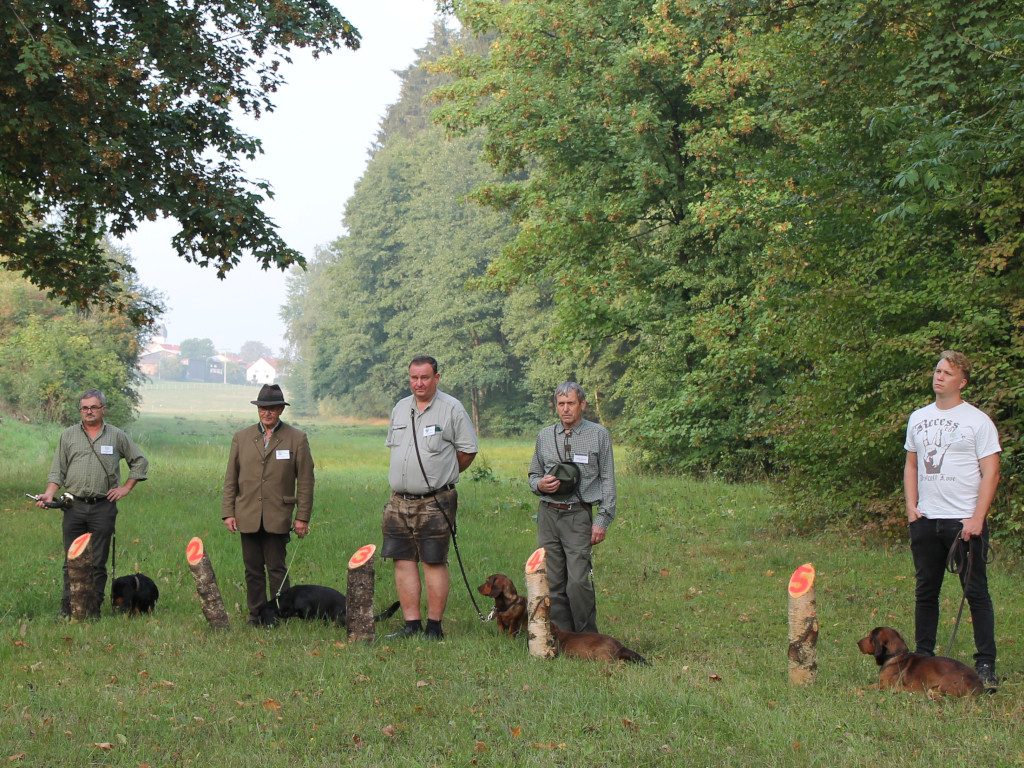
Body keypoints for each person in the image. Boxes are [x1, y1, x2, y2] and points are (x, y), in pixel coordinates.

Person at [904, 350, 1001, 690]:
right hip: (927, 520)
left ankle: (985, 664)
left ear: (962, 382)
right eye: (937, 370)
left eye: (947, 372)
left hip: (963, 523)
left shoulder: (977, 421)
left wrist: (977, 518)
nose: (939, 376)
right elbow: (912, 464)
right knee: (925, 591)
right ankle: (921, 659)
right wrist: (911, 507)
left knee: (975, 593)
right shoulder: (918, 417)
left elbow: (991, 472)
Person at [382, 355, 478, 640]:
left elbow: (468, 450)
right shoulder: (400, 408)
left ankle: (434, 626)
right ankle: (411, 624)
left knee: (433, 561)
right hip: (398, 499)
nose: (419, 383)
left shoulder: (452, 409)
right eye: (414, 377)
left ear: (437, 377)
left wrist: (444, 475)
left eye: (425, 377)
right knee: (402, 560)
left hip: (436, 500)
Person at [36, 389, 148, 617]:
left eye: (93, 407)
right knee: (71, 562)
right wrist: (49, 493)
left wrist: (126, 488)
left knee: (97, 563)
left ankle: (92, 609)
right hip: (73, 506)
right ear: (80, 410)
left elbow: (140, 462)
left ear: (102, 409)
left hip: (103, 507)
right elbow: (58, 470)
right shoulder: (68, 435)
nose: (88, 411)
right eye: (84, 408)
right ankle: (68, 609)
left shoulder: (116, 436)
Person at [222, 384, 314, 625]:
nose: (267, 413)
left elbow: (305, 481)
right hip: (247, 514)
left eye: (273, 408)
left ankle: (280, 614)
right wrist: (228, 513)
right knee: (252, 570)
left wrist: (302, 517)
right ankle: (256, 615)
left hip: (278, 515)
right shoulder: (241, 438)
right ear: (258, 409)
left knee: (276, 569)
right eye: (263, 408)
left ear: (281, 409)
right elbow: (231, 478)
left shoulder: (297, 439)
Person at [529, 381, 616, 634]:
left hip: (578, 515)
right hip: (548, 514)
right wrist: (540, 485)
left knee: (578, 581)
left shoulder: (599, 435)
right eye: (561, 404)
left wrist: (602, 520)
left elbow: (608, 479)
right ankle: (562, 636)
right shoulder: (545, 436)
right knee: (553, 581)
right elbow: (533, 474)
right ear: (556, 406)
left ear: (583, 405)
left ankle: (588, 636)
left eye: (571, 403)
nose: (566, 409)